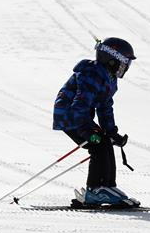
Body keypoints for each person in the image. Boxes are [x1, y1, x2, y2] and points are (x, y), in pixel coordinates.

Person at [52, 38, 139, 207]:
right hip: (70, 116)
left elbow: (105, 107)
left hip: (82, 117)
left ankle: (107, 187)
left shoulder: (108, 79)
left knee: (105, 141)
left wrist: (111, 132)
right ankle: (95, 190)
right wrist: (87, 132)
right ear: (111, 60)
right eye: (123, 63)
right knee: (98, 145)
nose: (125, 68)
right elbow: (80, 105)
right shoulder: (91, 74)